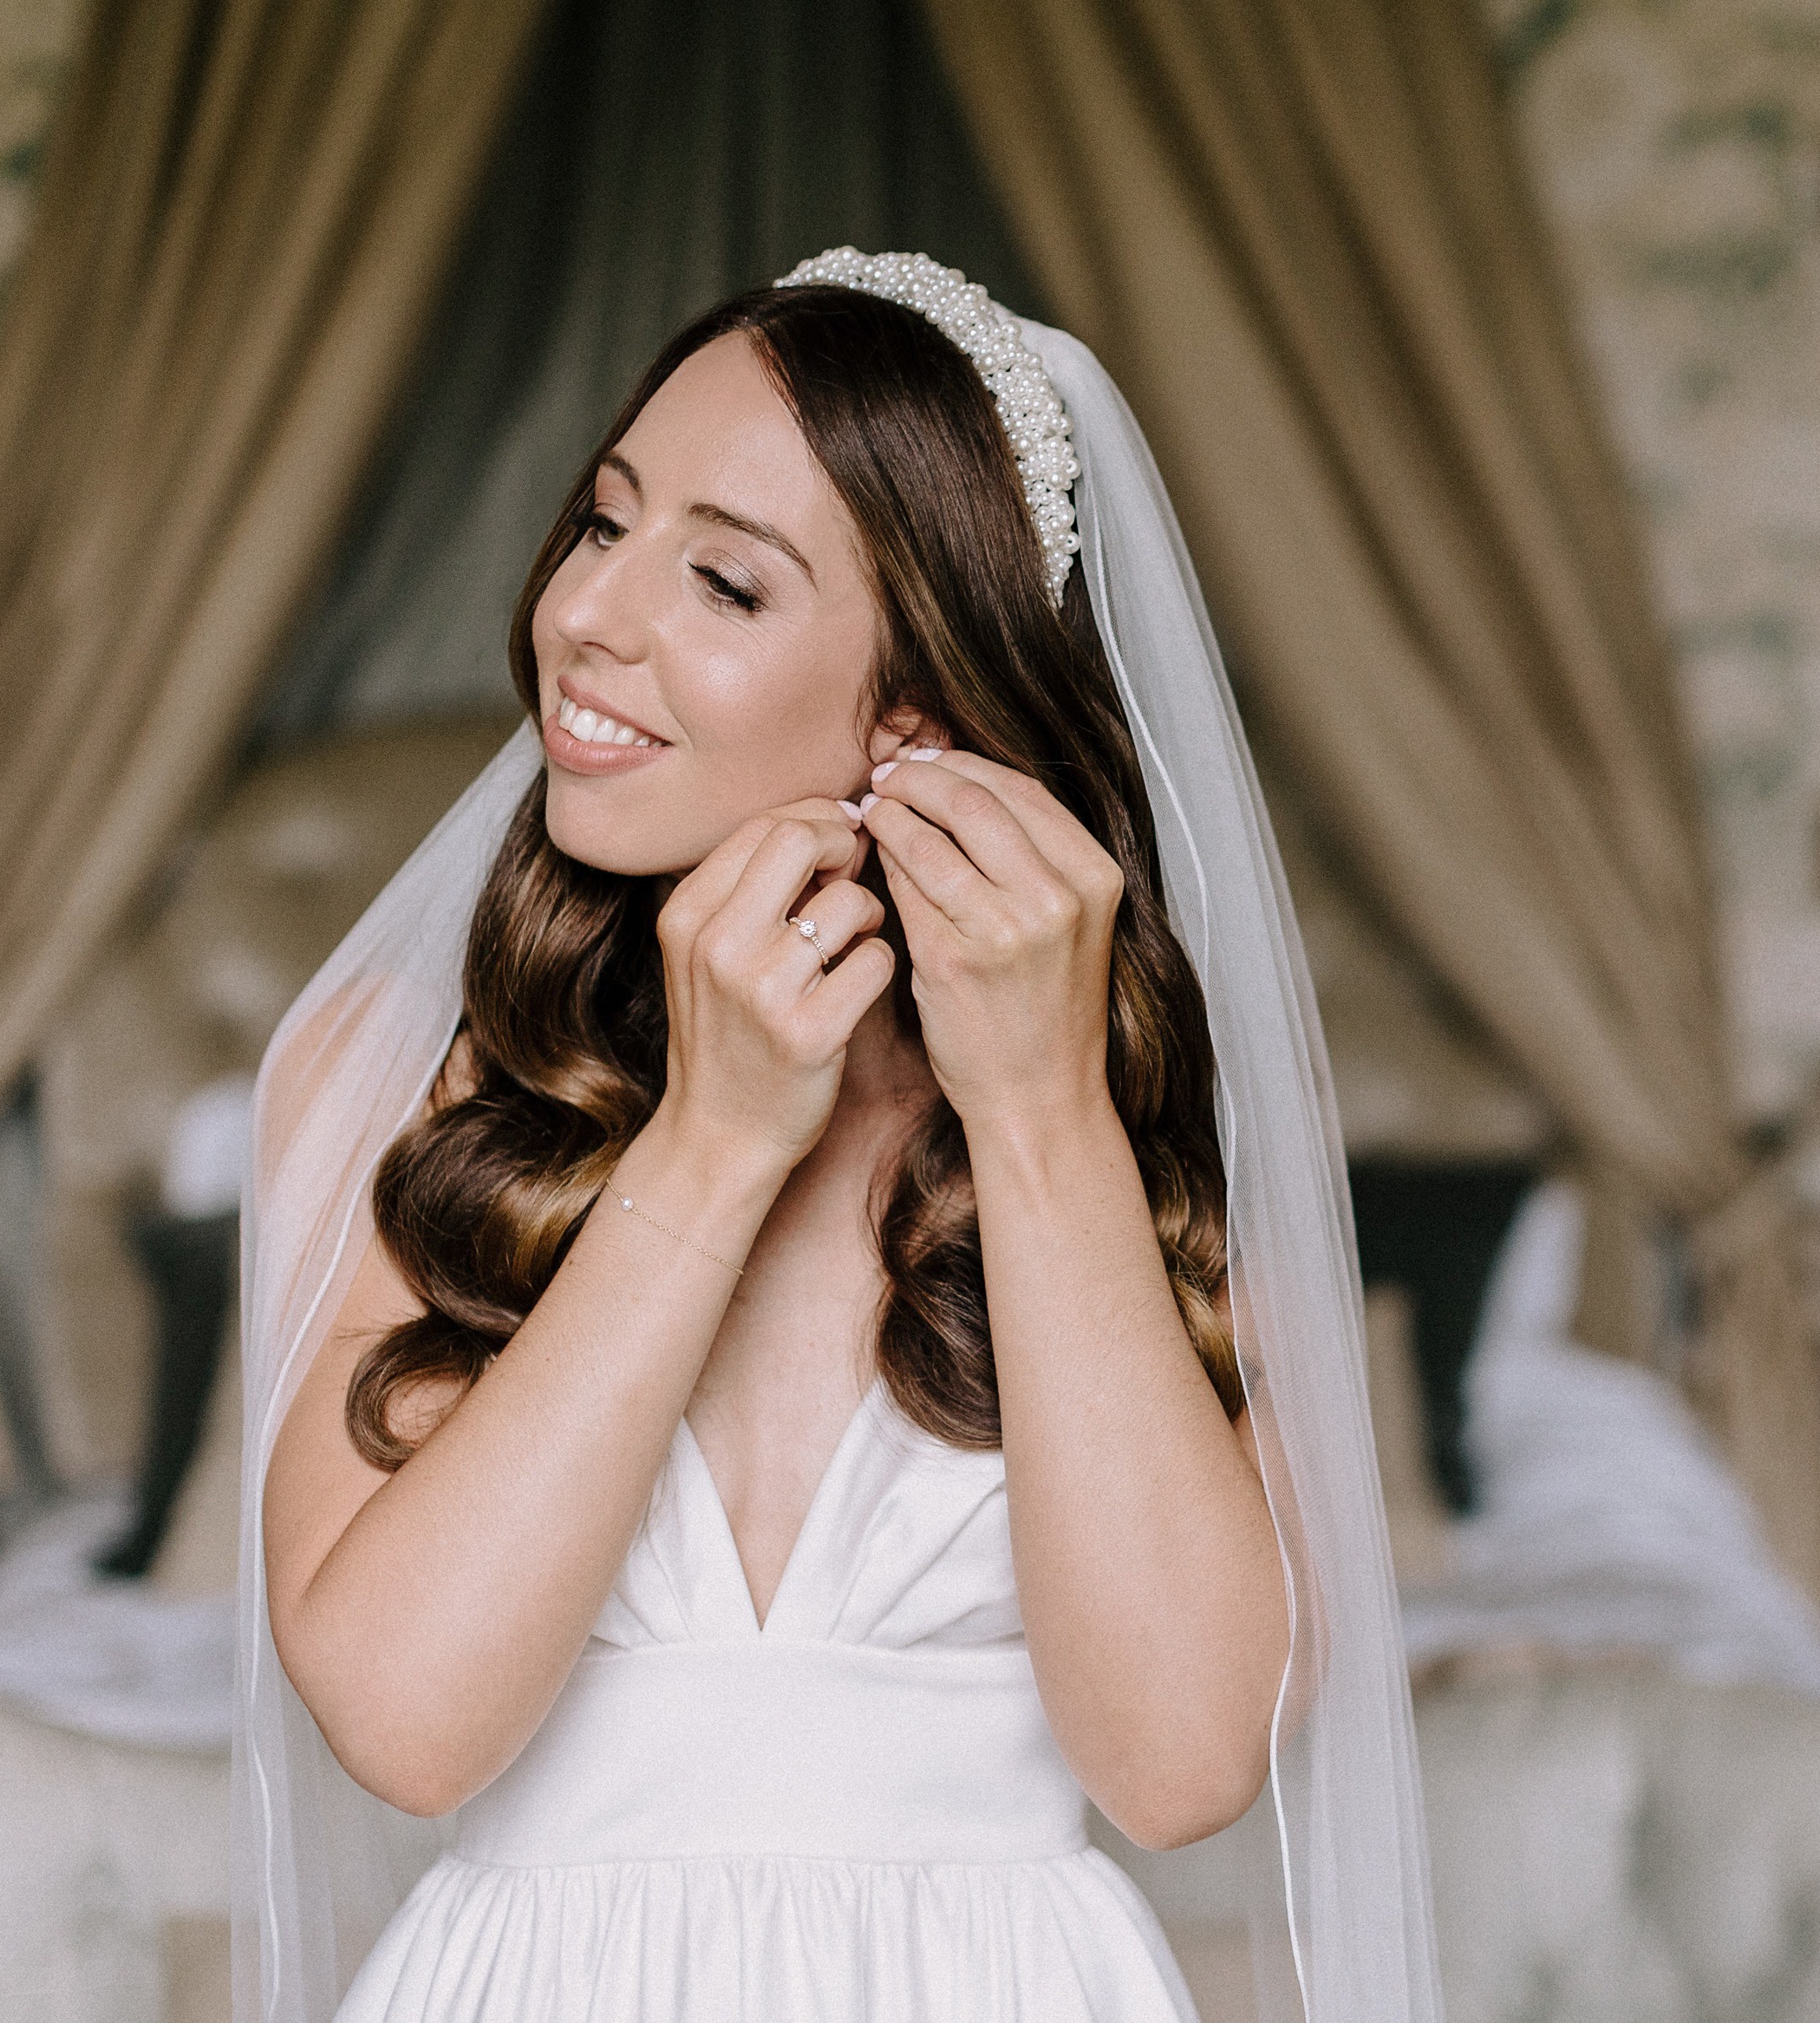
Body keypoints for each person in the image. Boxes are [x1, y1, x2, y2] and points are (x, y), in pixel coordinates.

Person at [234, 253, 1440, 2023]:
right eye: (601, 524)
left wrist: (1038, 1120)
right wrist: (713, 1147)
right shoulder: (380, 1073)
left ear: (918, 715)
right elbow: (406, 1725)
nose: (586, 615)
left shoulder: (1130, 1110)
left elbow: (1183, 1765)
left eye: (720, 578)